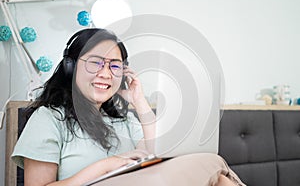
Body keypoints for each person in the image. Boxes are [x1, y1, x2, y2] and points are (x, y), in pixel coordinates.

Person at [11, 28, 245, 186]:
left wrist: (139, 101)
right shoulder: (49, 118)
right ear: (71, 67)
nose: (105, 73)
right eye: (95, 63)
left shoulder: (123, 120)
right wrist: (106, 166)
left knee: (217, 176)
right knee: (211, 164)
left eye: (114, 66)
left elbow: (157, 153)